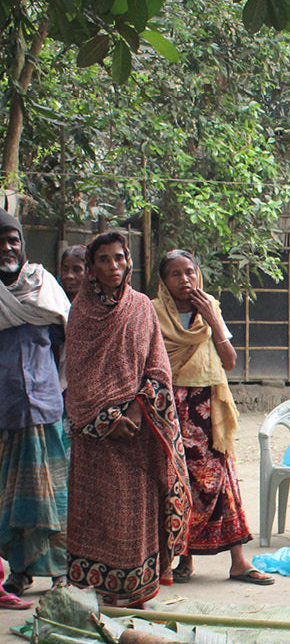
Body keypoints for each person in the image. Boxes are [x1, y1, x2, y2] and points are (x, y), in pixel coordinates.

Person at [65, 231, 191, 607]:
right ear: (91, 267)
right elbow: (79, 376)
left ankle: (136, 592)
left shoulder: (140, 306)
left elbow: (157, 366)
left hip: (139, 429)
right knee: (99, 514)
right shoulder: (81, 311)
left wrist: (136, 409)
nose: (113, 266)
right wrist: (108, 420)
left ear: (129, 261)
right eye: (103, 259)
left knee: (135, 513)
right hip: (97, 437)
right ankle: (101, 592)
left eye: (119, 258)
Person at [153, 250, 272, 585]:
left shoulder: (211, 309)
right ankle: (183, 560)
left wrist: (214, 319)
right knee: (178, 483)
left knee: (222, 483)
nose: (185, 280)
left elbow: (230, 361)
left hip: (209, 410)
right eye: (175, 274)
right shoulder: (153, 311)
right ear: (164, 281)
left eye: (190, 272)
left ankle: (238, 561)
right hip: (170, 408)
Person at [0, 209, 70, 597]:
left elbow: (67, 341)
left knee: (55, 495)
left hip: (46, 405)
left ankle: (60, 572)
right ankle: (20, 573)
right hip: (4, 410)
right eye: (1, 241)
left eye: (14, 240)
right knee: (11, 499)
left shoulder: (44, 286)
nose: (8, 247)